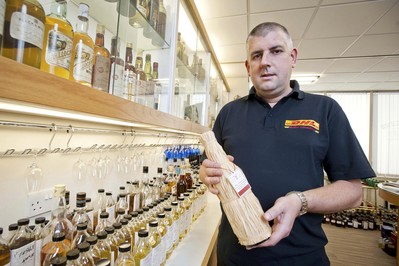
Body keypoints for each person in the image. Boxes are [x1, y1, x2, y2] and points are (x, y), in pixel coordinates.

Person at [199, 22, 375, 265]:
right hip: (235, 256)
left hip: (302, 257)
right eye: (257, 55)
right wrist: (206, 174)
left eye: (276, 51)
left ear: (292, 57)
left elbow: (354, 192)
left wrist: (300, 201)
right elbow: (206, 167)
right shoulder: (228, 113)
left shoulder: (325, 110)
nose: (265, 61)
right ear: (248, 67)